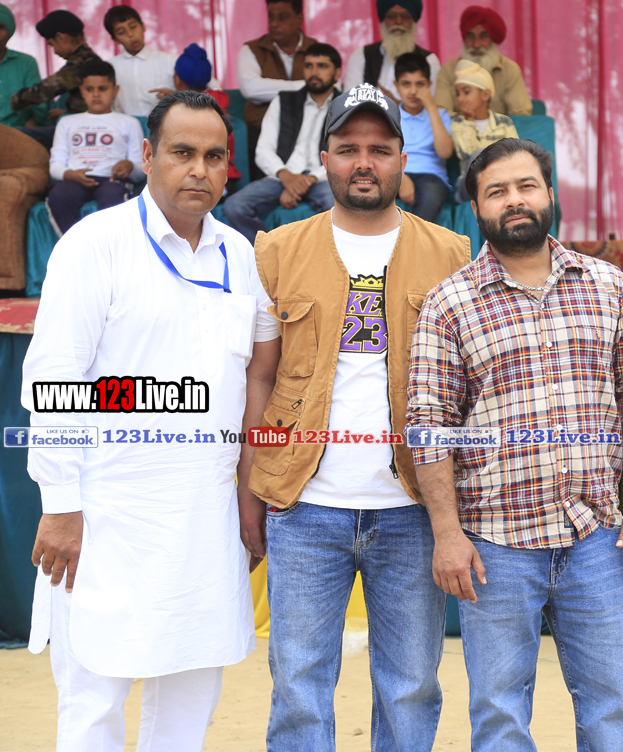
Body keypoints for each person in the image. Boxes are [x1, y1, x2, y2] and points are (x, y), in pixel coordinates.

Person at [21, 89, 278, 751]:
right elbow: (54, 378)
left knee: (191, 696)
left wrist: (249, 493)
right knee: (94, 700)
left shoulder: (240, 255)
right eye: (182, 152)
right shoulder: (96, 244)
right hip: (110, 510)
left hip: (206, 514)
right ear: (146, 154)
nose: (198, 169)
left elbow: (257, 377)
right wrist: (60, 505)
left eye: (213, 156)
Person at [408, 137, 623, 751]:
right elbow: (429, 427)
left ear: (549, 194)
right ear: (477, 207)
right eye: (496, 191)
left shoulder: (606, 285)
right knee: (500, 716)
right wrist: (447, 534)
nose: (514, 200)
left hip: (596, 539)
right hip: (494, 545)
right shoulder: (450, 303)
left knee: (612, 712)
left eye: (526, 185)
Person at [241, 82, 470, 752]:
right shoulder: (277, 250)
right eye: (347, 148)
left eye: (379, 148)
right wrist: (249, 487)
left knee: (410, 687)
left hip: (412, 509)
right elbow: (260, 376)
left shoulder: (451, 254)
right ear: (325, 158)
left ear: (402, 158)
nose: (363, 162)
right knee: (299, 688)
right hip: (304, 506)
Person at [221, 42, 341, 242]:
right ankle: (271, 251)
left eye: (322, 66)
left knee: (339, 208)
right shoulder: (284, 101)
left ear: (337, 73)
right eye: (309, 66)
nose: (314, 72)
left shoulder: (344, 107)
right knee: (234, 206)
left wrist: (309, 179)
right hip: (282, 176)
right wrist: (287, 177)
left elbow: (343, 154)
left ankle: (318, 256)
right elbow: (263, 150)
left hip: (323, 179)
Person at [45, 60, 145, 235]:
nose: (96, 94)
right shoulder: (67, 122)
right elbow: (55, 165)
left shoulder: (129, 123)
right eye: (90, 89)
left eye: (103, 89)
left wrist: (129, 166)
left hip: (112, 181)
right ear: (81, 91)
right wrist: (69, 174)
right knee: (59, 197)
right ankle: (74, 247)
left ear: (115, 90)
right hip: (74, 179)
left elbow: (141, 171)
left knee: (114, 198)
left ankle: (110, 247)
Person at [237, 0, 320, 178]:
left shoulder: (316, 49)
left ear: (299, 19)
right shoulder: (252, 49)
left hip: (308, 134)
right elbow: (251, 88)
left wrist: (270, 87)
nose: (274, 24)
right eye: (271, 17)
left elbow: (332, 88)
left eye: (282, 17)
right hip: (261, 134)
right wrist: (306, 87)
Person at [11, 10, 103, 148]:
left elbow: (47, 89)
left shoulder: (80, 64)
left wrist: (17, 99)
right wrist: (66, 113)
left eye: (51, 44)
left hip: (85, 131)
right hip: (86, 124)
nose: (54, 51)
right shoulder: (90, 58)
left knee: (14, 136)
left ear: (61, 37)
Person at [343, 0, 440, 99]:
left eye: (405, 16)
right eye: (392, 16)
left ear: (413, 20)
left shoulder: (429, 60)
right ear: (383, 19)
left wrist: (395, 105)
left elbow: (432, 105)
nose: (398, 21)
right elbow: (349, 103)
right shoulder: (362, 56)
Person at [434, 6, 532, 117]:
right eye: (470, 37)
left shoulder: (509, 70)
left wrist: (491, 125)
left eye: (483, 37)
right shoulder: (448, 71)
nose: (476, 44)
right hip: (459, 128)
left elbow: (521, 115)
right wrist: (467, 121)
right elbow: (441, 113)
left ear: (493, 40)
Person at [393, 52, 452, 222]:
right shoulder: (389, 115)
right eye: (406, 84)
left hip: (430, 176)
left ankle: (413, 239)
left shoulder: (440, 114)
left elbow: (445, 152)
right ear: (396, 85)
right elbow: (381, 154)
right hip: (394, 172)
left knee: (431, 194)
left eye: (420, 84)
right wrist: (400, 177)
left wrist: (431, 108)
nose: (413, 91)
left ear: (429, 85)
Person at [448, 60, 518, 203]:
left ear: (486, 95)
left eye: (466, 92)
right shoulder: (458, 123)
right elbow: (466, 154)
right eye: (458, 93)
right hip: (470, 187)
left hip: (502, 182)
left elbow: (515, 155)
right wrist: (468, 121)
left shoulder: (504, 122)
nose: (460, 98)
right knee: (478, 155)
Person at [174, 43, 242, 183]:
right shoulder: (218, 101)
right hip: (227, 176)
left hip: (201, 178)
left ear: (177, 79)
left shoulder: (180, 111)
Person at [104, 5, 176, 116]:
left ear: (143, 26)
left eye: (133, 27)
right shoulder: (109, 68)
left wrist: (176, 96)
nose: (130, 34)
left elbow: (199, 95)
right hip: (125, 125)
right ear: (115, 39)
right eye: (121, 32)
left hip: (163, 124)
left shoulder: (171, 61)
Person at [0, 3, 50, 128]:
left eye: (0, 27)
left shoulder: (26, 63)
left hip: (18, 134)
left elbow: (40, 106)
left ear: (9, 31)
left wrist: (34, 124)